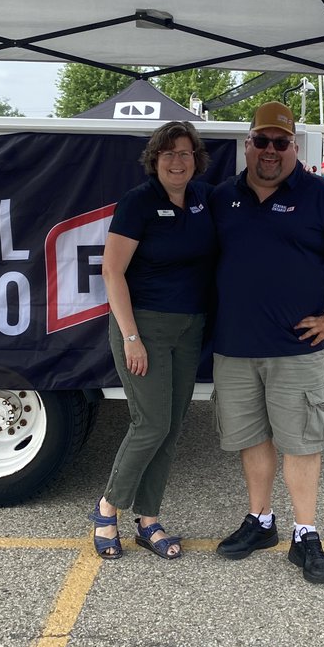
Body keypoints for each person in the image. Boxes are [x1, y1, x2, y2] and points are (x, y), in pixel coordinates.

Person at [209, 101, 324, 584]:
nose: (269, 150)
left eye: (280, 143)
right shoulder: (222, 197)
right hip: (235, 347)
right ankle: (261, 521)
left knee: (302, 441)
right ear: (247, 145)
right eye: (261, 141)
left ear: (294, 149)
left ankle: (306, 533)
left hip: (296, 349)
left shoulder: (321, 196)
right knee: (251, 438)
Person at [89, 121, 215, 560]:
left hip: (189, 328)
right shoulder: (138, 203)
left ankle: (148, 519)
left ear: (196, 159)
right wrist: (131, 337)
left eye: (185, 153)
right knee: (151, 424)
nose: (177, 162)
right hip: (143, 328)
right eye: (168, 154)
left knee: (172, 427)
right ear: (154, 161)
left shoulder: (203, 199)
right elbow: (112, 271)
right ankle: (107, 509)